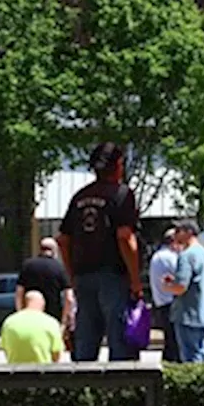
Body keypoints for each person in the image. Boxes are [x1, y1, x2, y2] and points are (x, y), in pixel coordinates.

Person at [57, 142, 143, 362]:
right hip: (113, 275)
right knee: (119, 341)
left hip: (84, 276)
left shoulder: (79, 197)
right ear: (117, 166)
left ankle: (85, 389)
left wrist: (72, 274)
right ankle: (121, 392)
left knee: (86, 339)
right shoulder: (122, 194)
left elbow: (63, 239)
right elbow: (125, 237)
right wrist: (135, 280)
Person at [161, 220, 204, 363]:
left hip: (187, 316)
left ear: (189, 232)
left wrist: (166, 287)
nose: (175, 234)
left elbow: (180, 287)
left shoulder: (186, 256)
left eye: (178, 230)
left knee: (191, 359)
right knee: (202, 354)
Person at [16, 237, 74, 336]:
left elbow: (19, 292)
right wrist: (64, 322)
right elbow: (69, 298)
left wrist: (20, 313)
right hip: (53, 317)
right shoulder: (59, 268)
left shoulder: (27, 266)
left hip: (31, 316)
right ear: (54, 251)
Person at [0, 291, 65, 365]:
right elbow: (56, 356)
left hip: (16, 373)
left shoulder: (9, 322)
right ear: (43, 304)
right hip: (42, 372)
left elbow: (6, 350)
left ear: (24, 303)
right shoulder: (51, 322)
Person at [148, 230, 181, 363]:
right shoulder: (170, 257)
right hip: (170, 302)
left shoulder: (156, 256)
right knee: (174, 343)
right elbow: (181, 277)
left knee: (169, 341)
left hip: (160, 302)